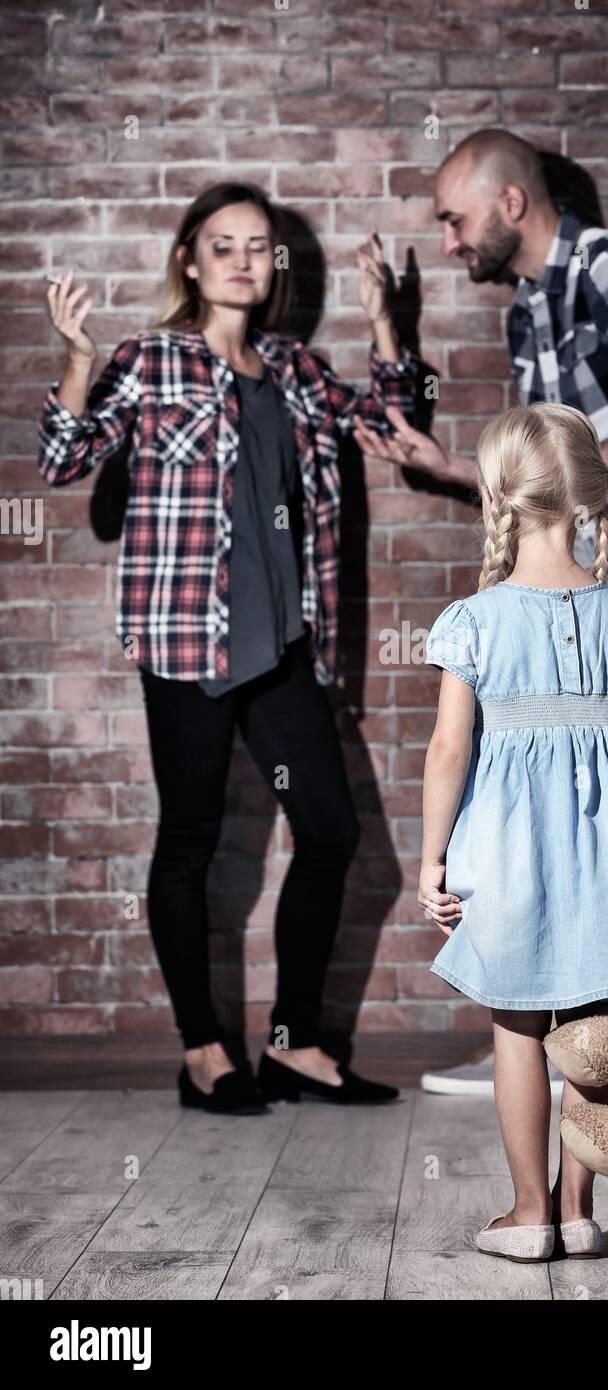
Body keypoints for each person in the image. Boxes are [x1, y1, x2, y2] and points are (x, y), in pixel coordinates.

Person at [354, 128, 608, 1096]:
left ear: (511, 203)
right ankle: (541, 1027)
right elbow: (538, 482)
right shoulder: (529, 309)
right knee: (551, 815)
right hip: (581, 590)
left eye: (453, 218)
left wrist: (561, 477)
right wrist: (454, 469)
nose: (447, 241)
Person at [37, 182, 418, 1113]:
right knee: (193, 842)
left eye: (260, 244)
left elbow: (392, 429)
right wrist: (79, 364)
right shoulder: (151, 360)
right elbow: (65, 460)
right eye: (223, 243)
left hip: (286, 643)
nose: (244, 258)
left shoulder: (293, 369)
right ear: (190, 261)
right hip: (185, 638)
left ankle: (293, 1045)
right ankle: (204, 1051)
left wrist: (384, 323)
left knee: (330, 831)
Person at [418, 402, 608, 1261]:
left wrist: (430, 858)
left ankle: (529, 1214)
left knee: (519, 1030)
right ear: (594, 495)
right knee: (597, 1029)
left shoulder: (475, 620)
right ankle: (580, 1210)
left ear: (496, 495)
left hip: (505, 859)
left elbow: (448, 749)